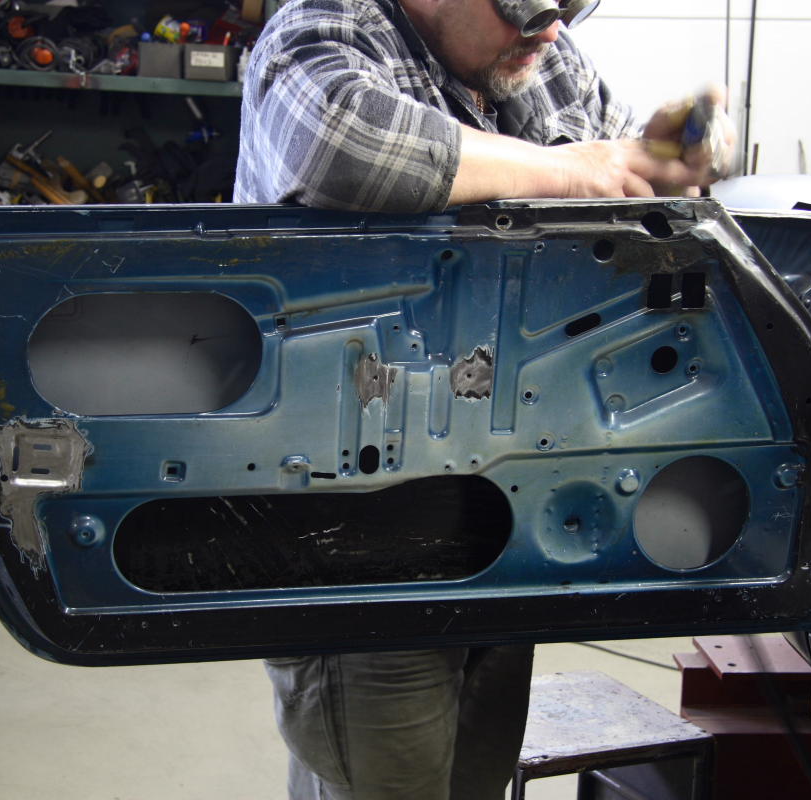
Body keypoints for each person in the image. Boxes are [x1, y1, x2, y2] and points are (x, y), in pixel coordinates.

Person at [234, 1, 732, 797]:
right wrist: (572, 171)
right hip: (357, 552)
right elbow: (340, 146)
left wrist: (667, 157)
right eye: (526, 4)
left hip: (503, 531)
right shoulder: (323, 28)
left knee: (478, 780)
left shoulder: (545, 60)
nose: (551, 27)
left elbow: (623, 170)